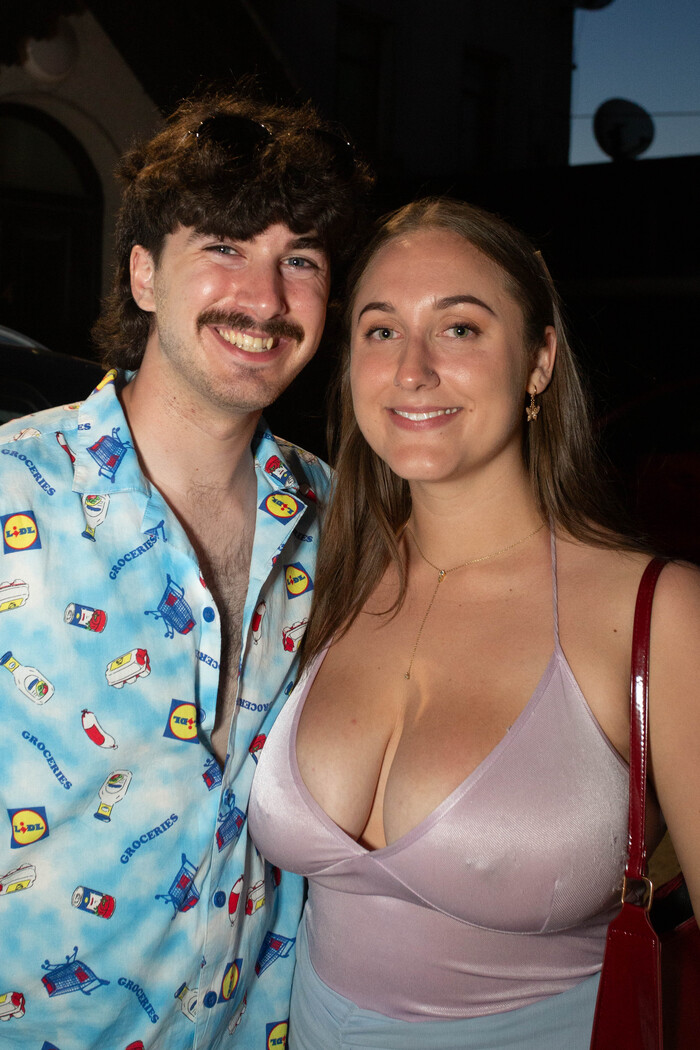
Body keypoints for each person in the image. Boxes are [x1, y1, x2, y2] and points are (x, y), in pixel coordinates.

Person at [248, 197, 700, 1049]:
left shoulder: (659, 613)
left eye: (459, 329)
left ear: (539, 361)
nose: (412, 370)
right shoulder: (324, 574)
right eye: (381, 331)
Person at [0, 89, 371, 1048]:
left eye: (301, 259)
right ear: (143, 275)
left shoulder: (342, 519)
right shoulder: (10, 491)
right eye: (226, 247)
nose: (267, 298)